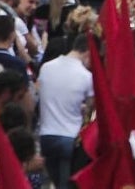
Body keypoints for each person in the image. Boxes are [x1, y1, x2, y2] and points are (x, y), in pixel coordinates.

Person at [37, 33, 93, 189]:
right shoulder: (86, 76)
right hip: (70, 137)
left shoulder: (46, 68)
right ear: (88, 52)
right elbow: (90, 110)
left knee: (52, 183)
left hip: (46, 137)